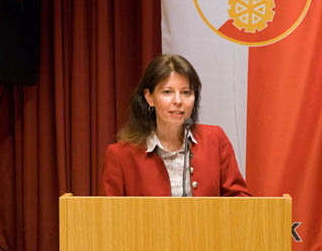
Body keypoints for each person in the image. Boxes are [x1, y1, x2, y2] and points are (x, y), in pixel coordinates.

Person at [101, 54, 251, 197]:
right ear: (149, 97)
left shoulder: (215, 140)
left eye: (186, 92)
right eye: (167, 92)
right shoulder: (120, 155)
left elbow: (239, 199)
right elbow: (110, 217)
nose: (178, 101)